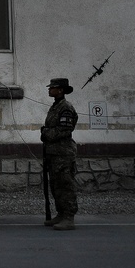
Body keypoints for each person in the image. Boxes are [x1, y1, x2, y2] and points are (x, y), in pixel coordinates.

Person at [41, 77, 78, 230]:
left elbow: (64, 130)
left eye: (53, 87)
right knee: (56, 185)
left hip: (63, 153)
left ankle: (69, 216)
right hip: (54, 153)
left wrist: (46, 133)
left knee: (65, 185)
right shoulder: (55, 107)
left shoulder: (66, 108)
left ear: (61, 90)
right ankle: (61, 213)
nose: (50, 90)